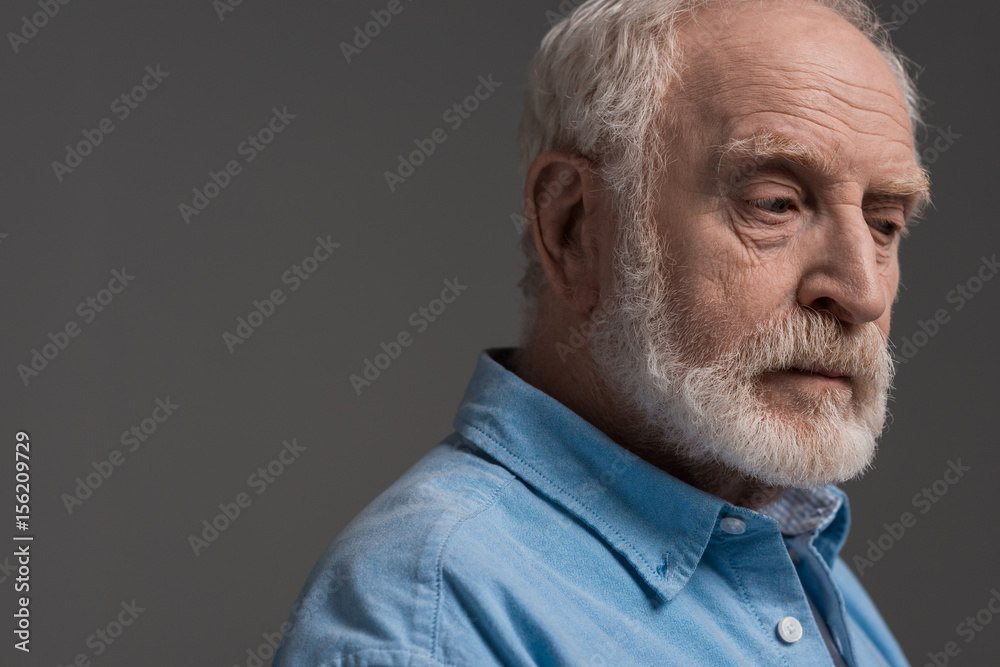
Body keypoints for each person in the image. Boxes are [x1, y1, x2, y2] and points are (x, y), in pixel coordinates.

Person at [274, 0, 932, 664]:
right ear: (575, 229)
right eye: (774, 204)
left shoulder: (801, 565)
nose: (861, 291)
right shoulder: (433, 620)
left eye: (884, 224)